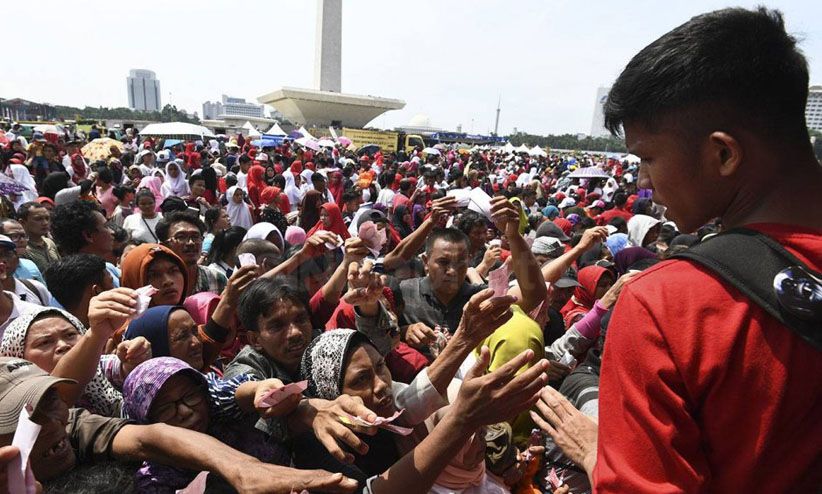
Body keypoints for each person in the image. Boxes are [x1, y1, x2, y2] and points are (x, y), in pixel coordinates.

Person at [590, 7, 822, 492]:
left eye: (647, 157)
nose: (643, 182)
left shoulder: (667, 307)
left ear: (723, 154)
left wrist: (601, 457)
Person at [0, 356, 360, 492]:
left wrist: (245, 470)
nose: (53, 422)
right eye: (26, 417)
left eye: (52, 402)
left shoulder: (74, 425)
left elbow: (150, 439)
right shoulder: (152, 482)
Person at [155, 211, 227, 296]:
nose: (191, 243)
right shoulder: (155, 283)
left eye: (195, 237)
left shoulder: (216, 278)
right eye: (181, 237)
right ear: (164, 246)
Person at [43, 254, 114, 326]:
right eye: (111, 282)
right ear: (97, 291)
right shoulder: (113, 328)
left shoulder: (52, 327)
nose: (116, 289)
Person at [16, 201, 61, 274]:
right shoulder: (21, 249)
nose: (45, 223)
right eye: (38, 219)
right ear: (22, 222)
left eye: (47, 218)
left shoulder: (50, 242)